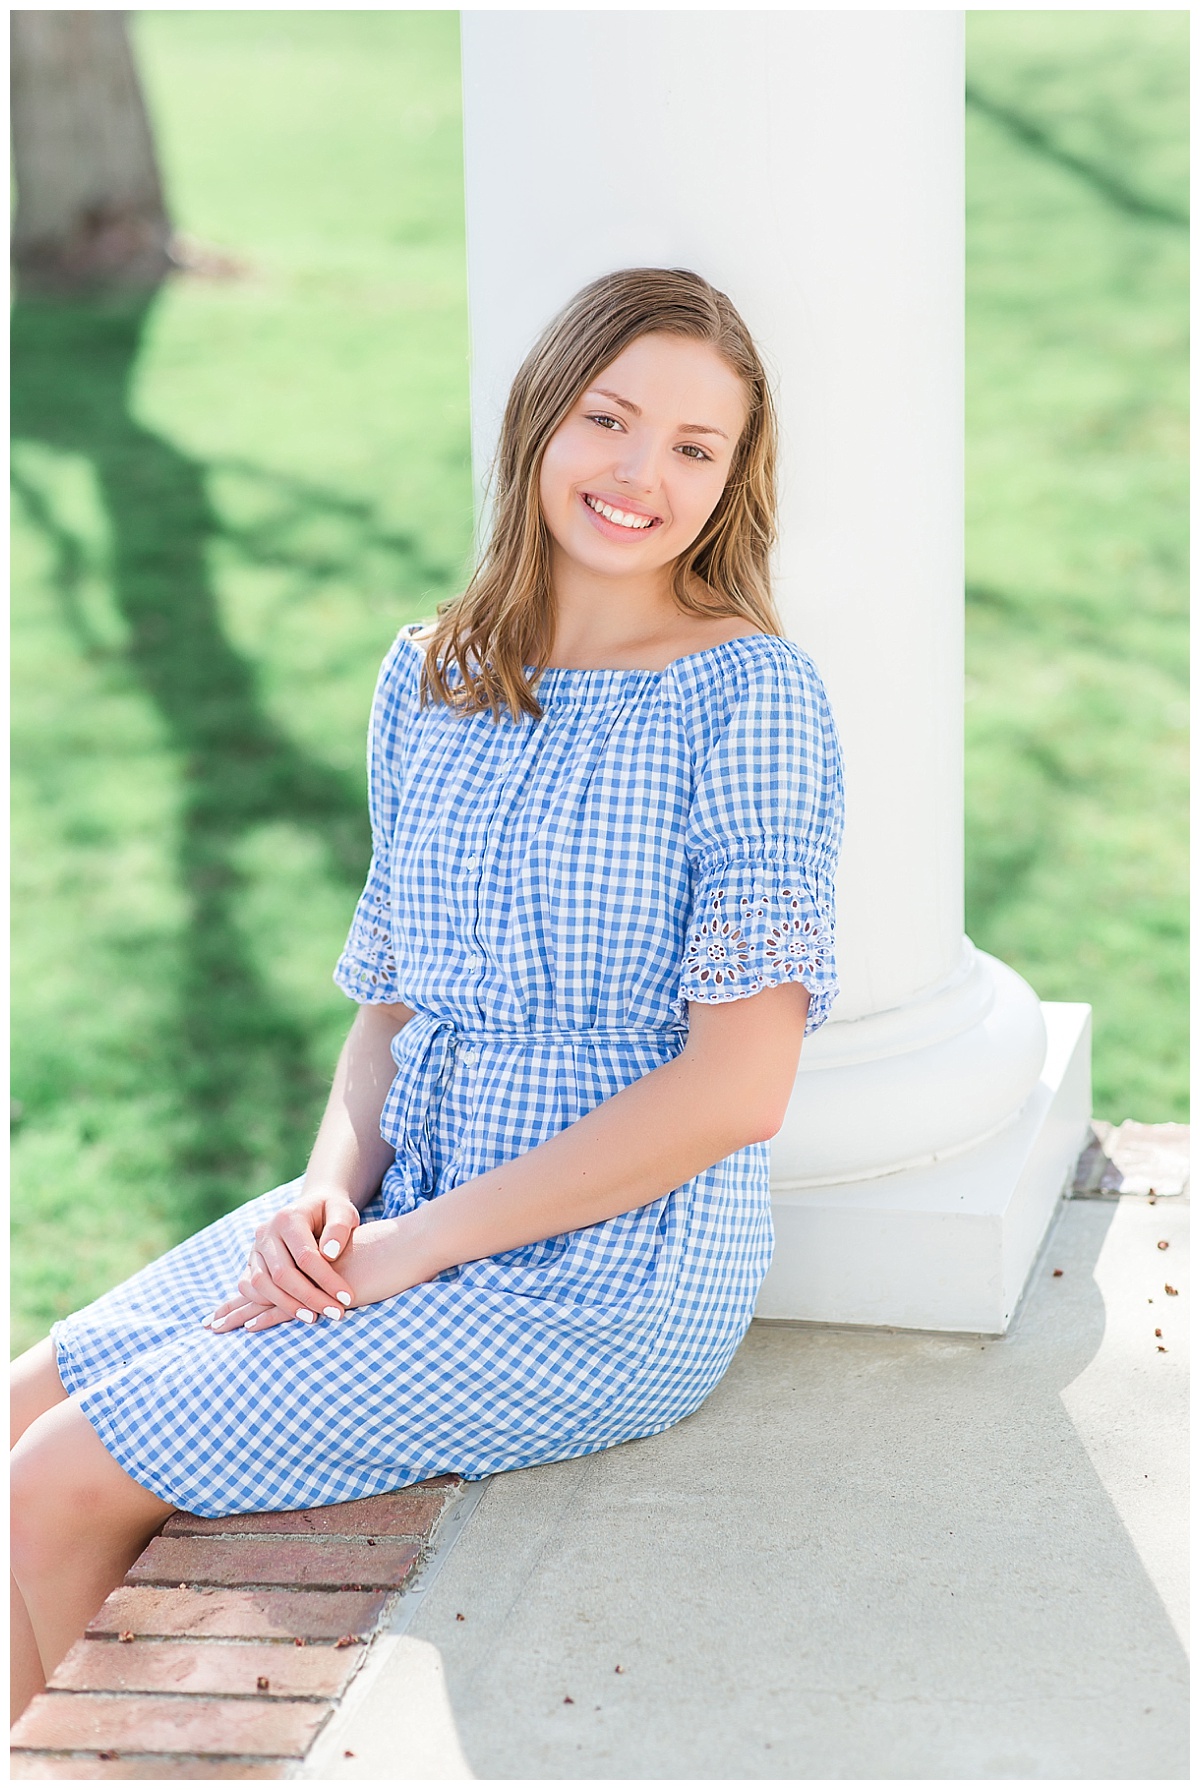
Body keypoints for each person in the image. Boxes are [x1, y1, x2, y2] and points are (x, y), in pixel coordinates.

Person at [10, 266, 843, 1716]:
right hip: (402, 1213)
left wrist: (407, 1252)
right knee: (20, 1411)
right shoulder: (432, 673)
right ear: (541, 417)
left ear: (732, 480)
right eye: (609, 419)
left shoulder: (749, 697)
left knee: (58, 1476)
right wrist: (328, 1194)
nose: (641, 474)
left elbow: (738, 1090)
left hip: (606, 1278)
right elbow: (392, 1009)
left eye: (694, 447)